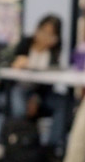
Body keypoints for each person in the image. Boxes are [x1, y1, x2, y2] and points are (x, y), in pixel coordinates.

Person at [9, 14, 66, 149]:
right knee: (19, 108)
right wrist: (16, 63)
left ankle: (51, 147)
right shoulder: (25, 44)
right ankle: (22, 145)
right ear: (37, 30)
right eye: (43, 31)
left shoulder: (53, 53)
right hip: (21, 88)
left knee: (64, 103)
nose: (45, 36)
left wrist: (36, 98)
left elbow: (49, 82)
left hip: (42, 93)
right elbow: (10, 68)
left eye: (50, 34)